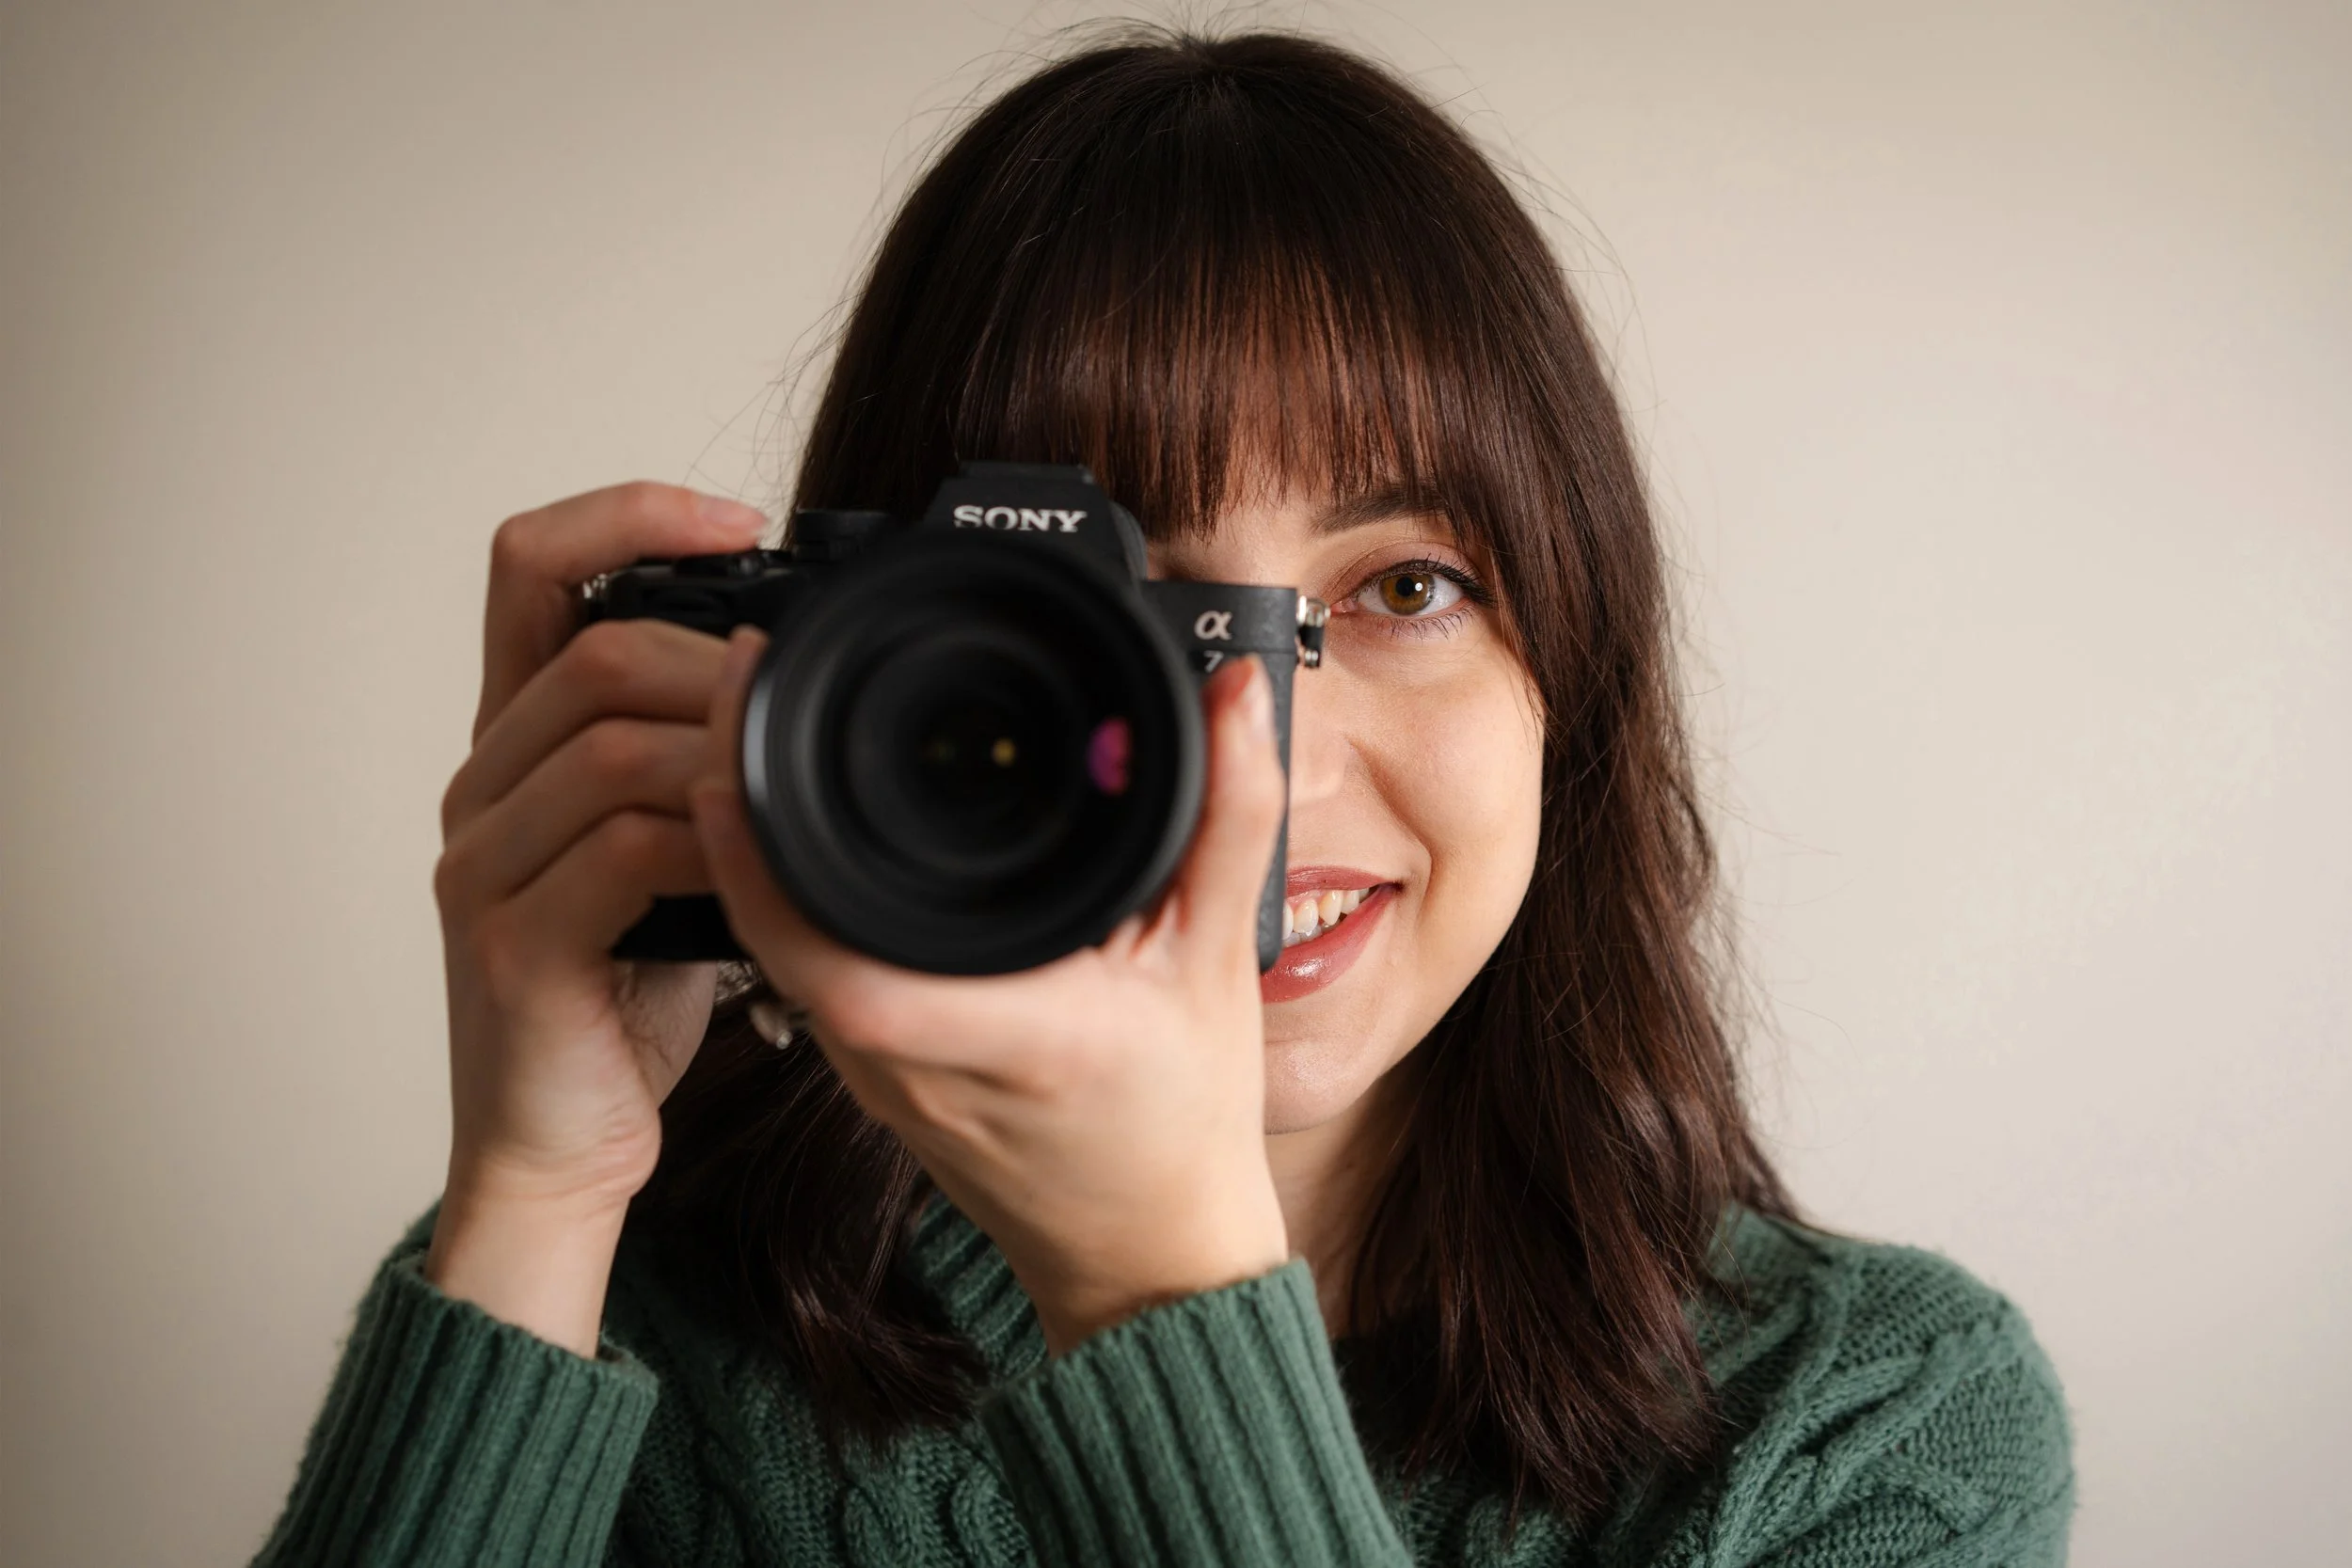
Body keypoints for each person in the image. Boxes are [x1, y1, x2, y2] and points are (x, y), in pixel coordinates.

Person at [251, 27, 2073, 1568]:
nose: (1259, 768)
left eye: (1403, 587)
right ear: (851, 666)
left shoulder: (1868, 1427)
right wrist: (534, 1200)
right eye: (1119, 621)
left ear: (1568, 672)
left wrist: (1154, 1290)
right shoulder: (622, 1319)